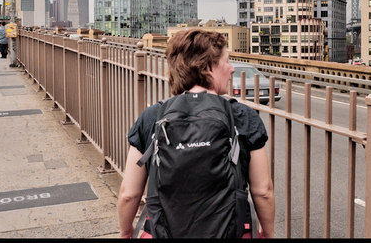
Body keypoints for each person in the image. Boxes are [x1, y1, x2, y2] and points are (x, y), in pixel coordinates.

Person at [117, 29, 275, 238]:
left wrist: (126, 232)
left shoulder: (152, 116)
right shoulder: (243, 116)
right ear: (208, 67)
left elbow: (128, 194)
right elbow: (263, 192)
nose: (231, 69)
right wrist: (268, 234)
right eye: (227, 61)